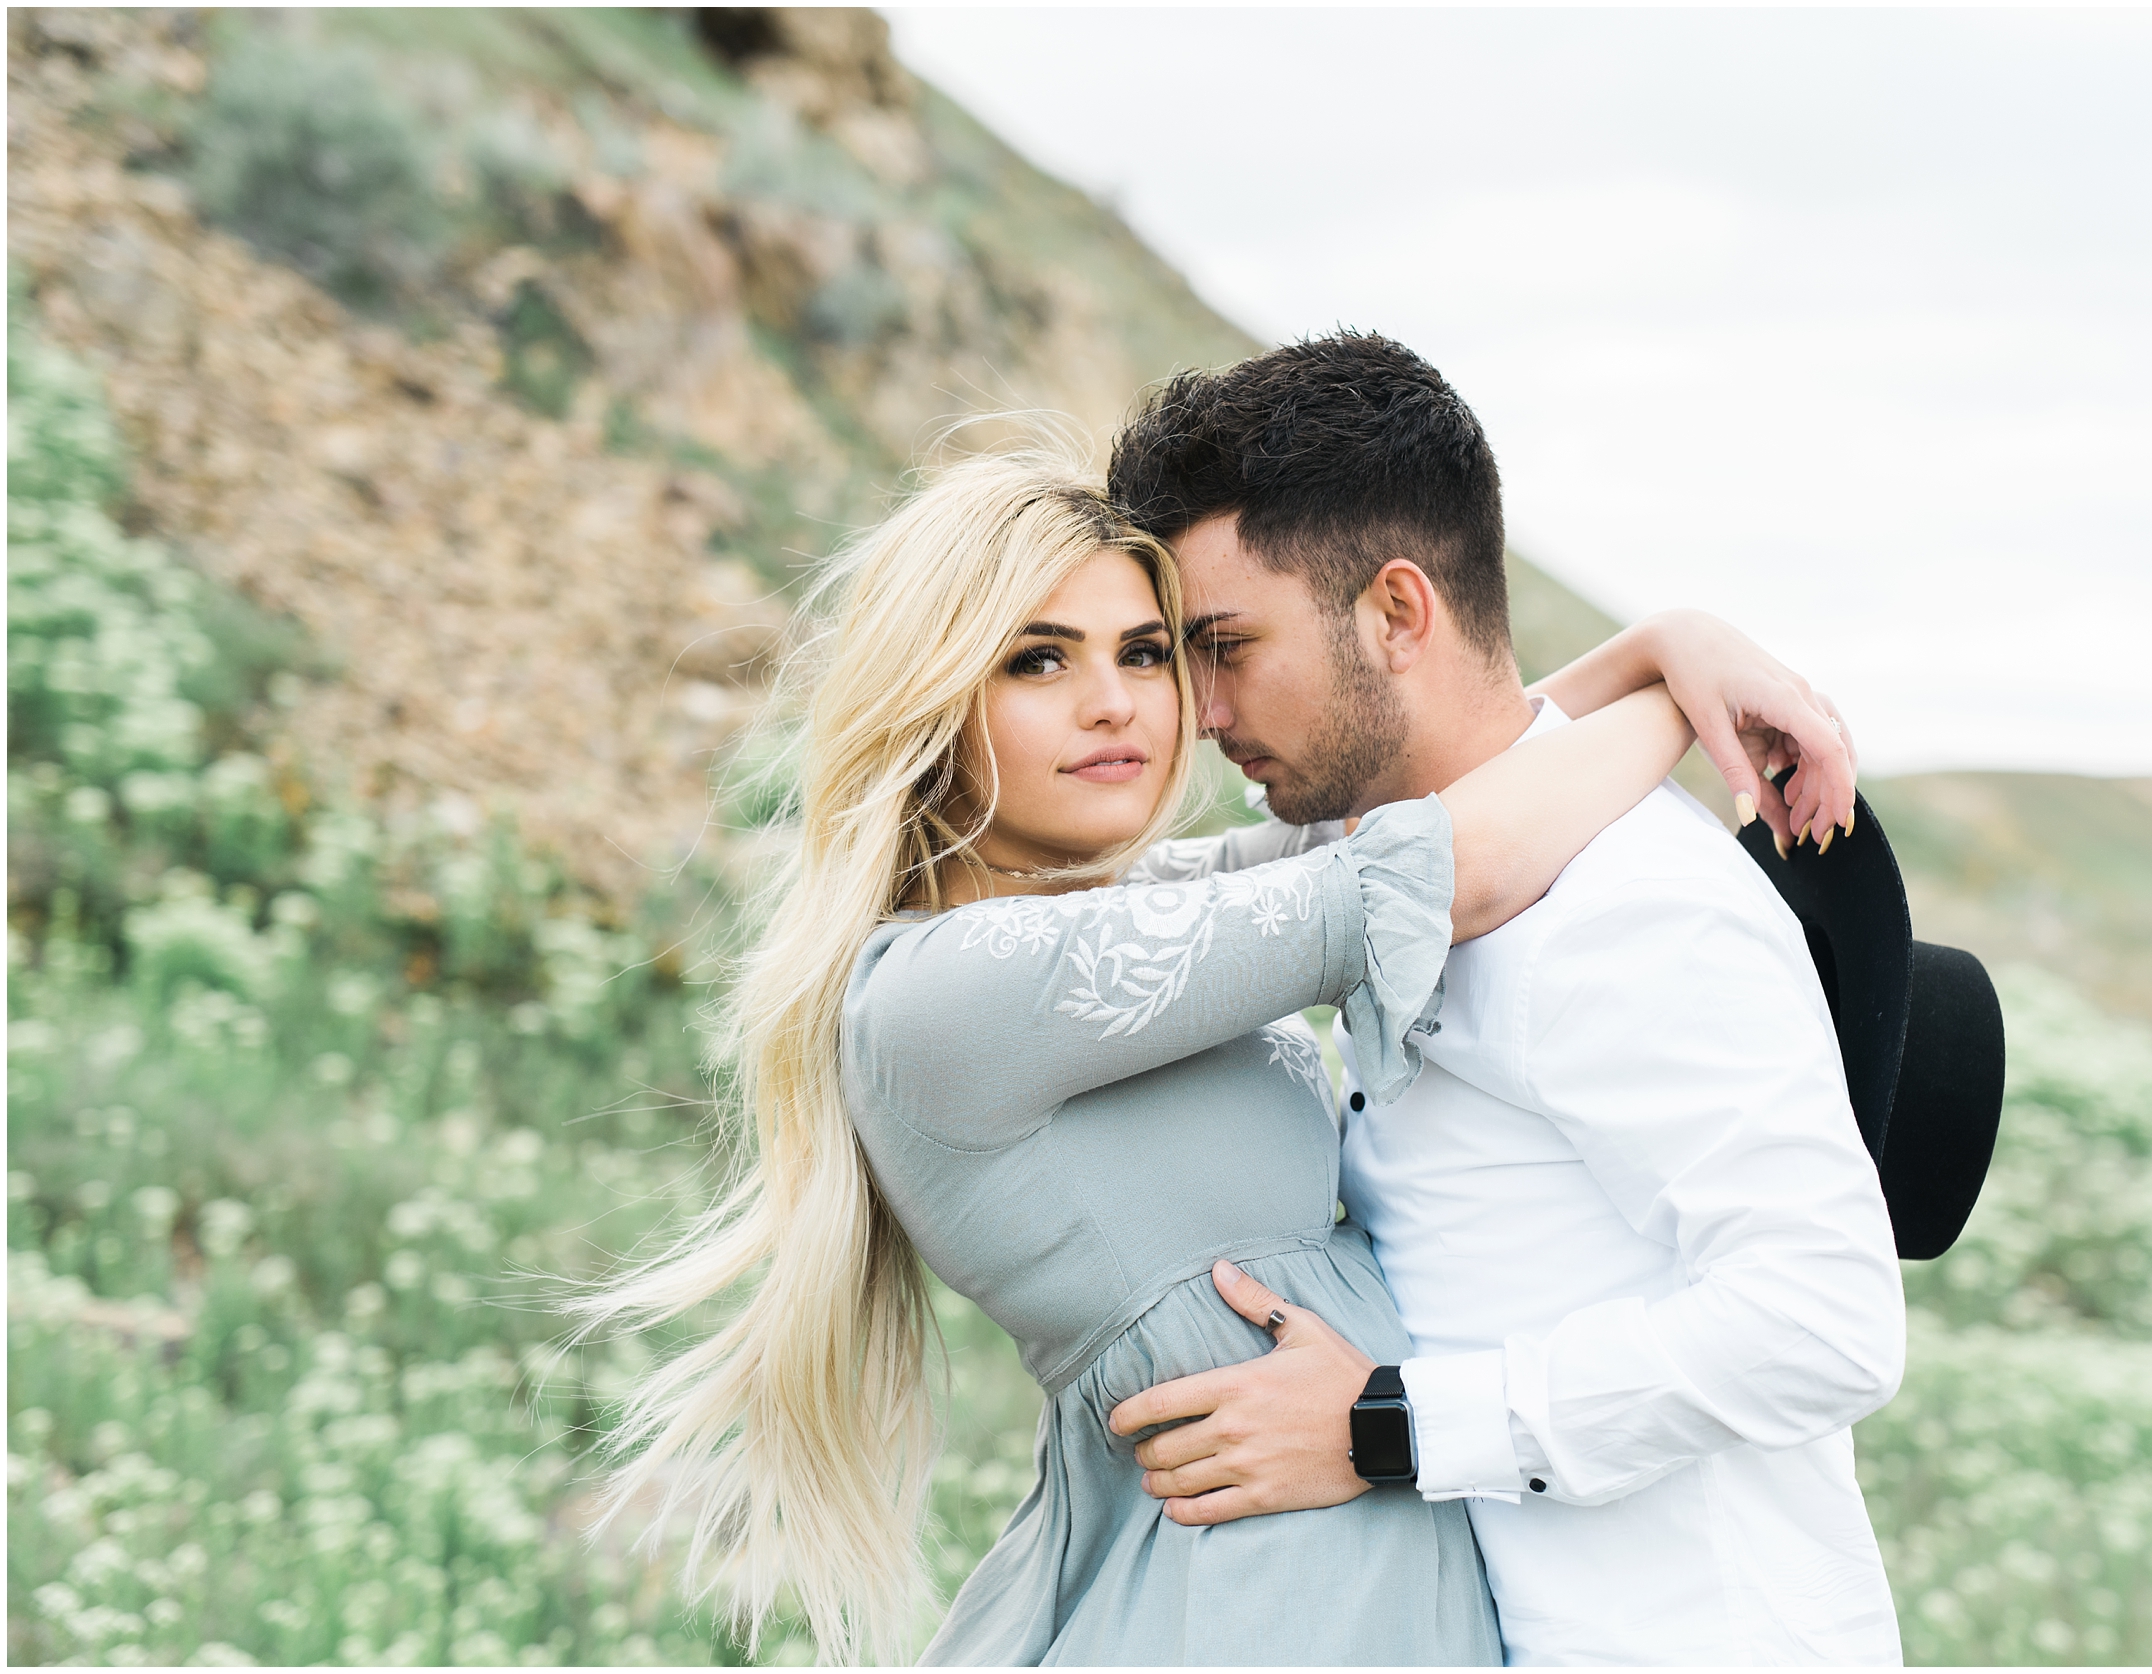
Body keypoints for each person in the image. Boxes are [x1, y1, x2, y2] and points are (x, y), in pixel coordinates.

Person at [573, 450, 1858, 1665]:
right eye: (1036, 660)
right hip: (1256, 1589)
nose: (1115, 702)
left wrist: (1660, 651)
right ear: (932, 698)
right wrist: (1679, 702)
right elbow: (1439, 869)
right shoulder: (953, 991)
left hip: (1351, 1550)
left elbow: (1426, 812)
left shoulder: (1115, 913)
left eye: (1150, 652)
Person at [1103, 332, 1910, 1665]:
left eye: (1227, 646)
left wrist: (1384, 1423)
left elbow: (1821, 1321)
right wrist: (1655, 653)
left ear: (1399, 614)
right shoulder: (1368, 858)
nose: (1199, 710)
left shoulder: (1633, 911)